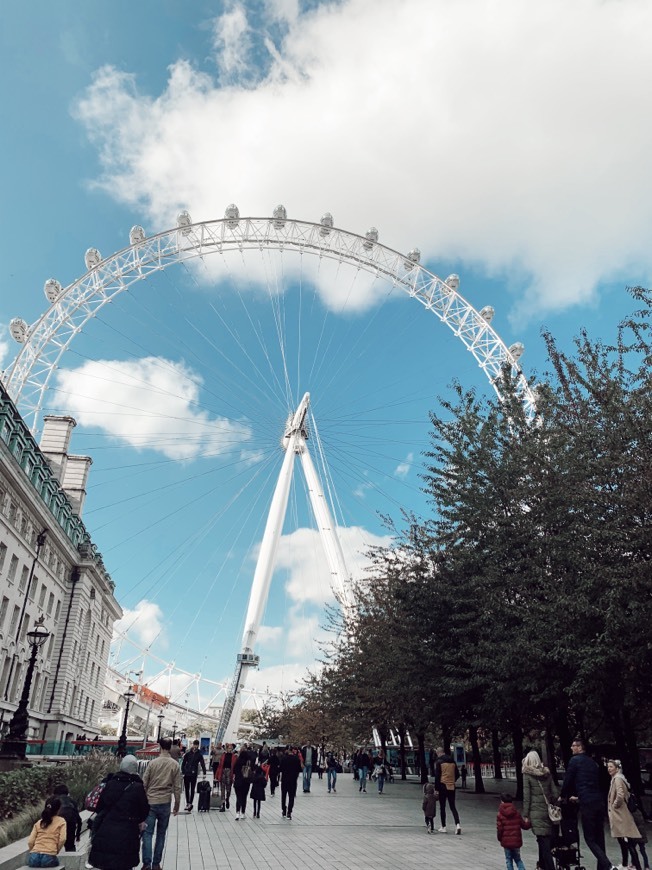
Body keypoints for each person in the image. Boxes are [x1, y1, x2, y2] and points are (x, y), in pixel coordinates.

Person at [560, 738, 618, 870]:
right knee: (599, 836)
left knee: (589, 838)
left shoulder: (574, 760)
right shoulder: (592, 762)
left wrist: (562, 795)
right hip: (598, 801)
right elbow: (593, 782)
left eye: (574, 745)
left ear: (580, 748)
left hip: (587, 803)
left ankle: (608, 866)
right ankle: (602, 867)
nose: (571, 748)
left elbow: (568, 780)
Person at [88, 755, 150, 870]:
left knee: (106, 864)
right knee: (124, 864)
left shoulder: (110, 783)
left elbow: (100, 806)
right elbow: (144, 810)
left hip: (107, 829)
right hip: (127, 832)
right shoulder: (137, 787)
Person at [142, 737, 182, 870]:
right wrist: (176, 805)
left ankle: (146, 863)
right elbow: (177, 787)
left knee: (147, 833)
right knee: (161, 834)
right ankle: (156, 864)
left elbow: (144, 783)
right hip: (165, 802)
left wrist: (142, 801)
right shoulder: (175, 764)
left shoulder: (153, 763)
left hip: (151, 801)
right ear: (170, 747)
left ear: (160, 747)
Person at [522, 749, 559, 870]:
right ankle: (541, 865)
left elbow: (527, 796)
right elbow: (554, 793)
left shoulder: (527, 775)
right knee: (544, 839)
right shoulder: (547, 774)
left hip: (535, 812)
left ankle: (548, 866)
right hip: (547, 811)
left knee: (543, 842)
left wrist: (525, 814)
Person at [606, 759, 642, 870]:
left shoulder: (617, 779)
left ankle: (635, 866)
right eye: (608, 767)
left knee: (628, 843)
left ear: (617, 768)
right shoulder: (618, 778)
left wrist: (614, 806)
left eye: (611, 767)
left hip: (620, 816)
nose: (609, 769)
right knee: (624, 842)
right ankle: (625, 864)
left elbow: (620, 795)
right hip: (621, 815)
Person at [27, 796, 66, 867]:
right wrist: (56, 850)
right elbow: (62, 839)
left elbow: (30, 841)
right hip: (49, 856)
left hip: (33, 857)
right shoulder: (61, 821)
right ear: (58, 809)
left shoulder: (39, 822)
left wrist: (33, 851)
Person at [497, 793, 531, 870]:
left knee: (508, 860)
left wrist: (500, 838)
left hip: (506, 841)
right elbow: (524, 826)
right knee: (518, 859)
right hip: (516, 841)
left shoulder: (500, 815)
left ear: (502, 801)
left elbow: (500, 829)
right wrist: (529, 823)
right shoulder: (517, 813)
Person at [435, 746, 461, 834]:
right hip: (452, 786)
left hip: (442, 785)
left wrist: (436, 789)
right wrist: (452, 780)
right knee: (453, 806)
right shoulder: (452, 761)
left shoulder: (439, 762)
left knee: (442, 807)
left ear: (438, 753)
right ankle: (457, 825)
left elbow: (437, 776)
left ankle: (443, 826)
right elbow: (457, 774)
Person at [51, 785, 81, 852]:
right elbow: (79, 819)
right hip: (71, 824)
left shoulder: (52, 801)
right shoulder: (73, 802)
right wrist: (78, 835)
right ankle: (71, 860)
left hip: (57, 825)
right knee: (70, 846)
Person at [181, 739, 206, 812]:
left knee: (192, 789)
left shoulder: (199, 754)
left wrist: (204, 772)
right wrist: (183, 770)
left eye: (196, 745)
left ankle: (190, 803)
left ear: (198, 746)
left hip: (194, 773)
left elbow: (202, 763)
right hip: (187, 773)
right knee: (186, 789)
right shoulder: (188, 754)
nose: (195, 746)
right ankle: (187, 803)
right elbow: (184, 762)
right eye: (194, 744)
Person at [279, 746, 303, 820]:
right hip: (293, 780)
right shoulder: (296, 759)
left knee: (283, 795)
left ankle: (284, 810)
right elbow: (299, 769)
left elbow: (280, 769)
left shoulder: (283, 759)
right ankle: (289, 812)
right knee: (291, 796)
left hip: (285, 779)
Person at [216, 743, 236, 810]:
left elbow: (235, 766)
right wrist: (217, 775)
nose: (230, 749)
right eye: (228, 748)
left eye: (231, 748)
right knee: (222, 789)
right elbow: (220, 766)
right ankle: (223, 804)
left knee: (228, 789)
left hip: (230, 773)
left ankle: (227, 798)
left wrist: (234, 775)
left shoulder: (234, 757)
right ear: (226, 749)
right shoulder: (223, 756)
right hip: (223, 772)